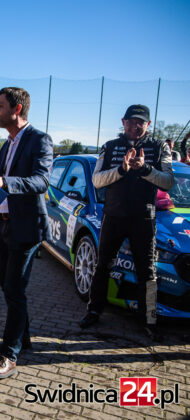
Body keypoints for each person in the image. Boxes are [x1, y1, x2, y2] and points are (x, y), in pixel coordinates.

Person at [0, 87, 53, 379]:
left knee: (15, 288)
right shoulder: (7, 145)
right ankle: (22, 337)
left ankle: (9, 354)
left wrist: (3, 180)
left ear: (16, 109)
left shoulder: (39, 140)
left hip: (27, 226)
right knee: (7, 287)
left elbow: (41, 181)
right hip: (5, 224)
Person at [79, 104, 174, 341]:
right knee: (103, 265)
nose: (135, 126)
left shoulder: (159, 146)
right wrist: (122, 169)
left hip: (144, 219)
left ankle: (149, 320)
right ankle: (94, 311)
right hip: (114, 216)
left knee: (147, 271)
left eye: (140, 122)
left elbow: (168, 182)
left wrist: (145, 169)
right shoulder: (110, 146)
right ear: (123, 122)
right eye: (131, 121)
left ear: (148, 124)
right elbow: (97, 180)